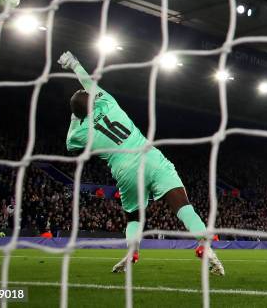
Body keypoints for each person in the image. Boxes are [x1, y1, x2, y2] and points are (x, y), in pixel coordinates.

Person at [57, 51, 224, 275]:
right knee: (184, 206)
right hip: (149, 157)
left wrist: (75, 117)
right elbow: (88, 81)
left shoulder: (80, 131)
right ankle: (204, 244)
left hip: (124, 169)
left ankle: (132, 252)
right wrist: (75, 65)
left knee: (134, 217)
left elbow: (70, 145)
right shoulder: (107, 102)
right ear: (91, 100)